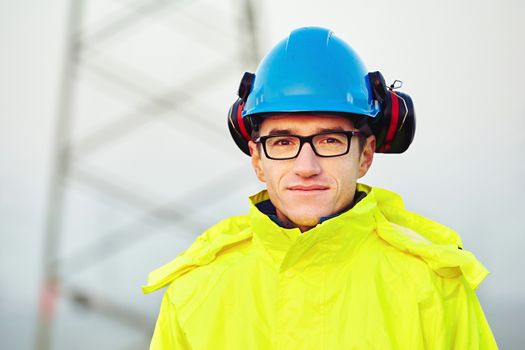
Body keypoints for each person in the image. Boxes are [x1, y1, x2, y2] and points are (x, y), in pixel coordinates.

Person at [143, 27, 497, 349]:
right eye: (282, 143)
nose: (306, 167)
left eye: (329, 140)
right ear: (256, 159)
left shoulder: (436, 286)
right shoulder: (194, 291)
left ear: (365, 155)